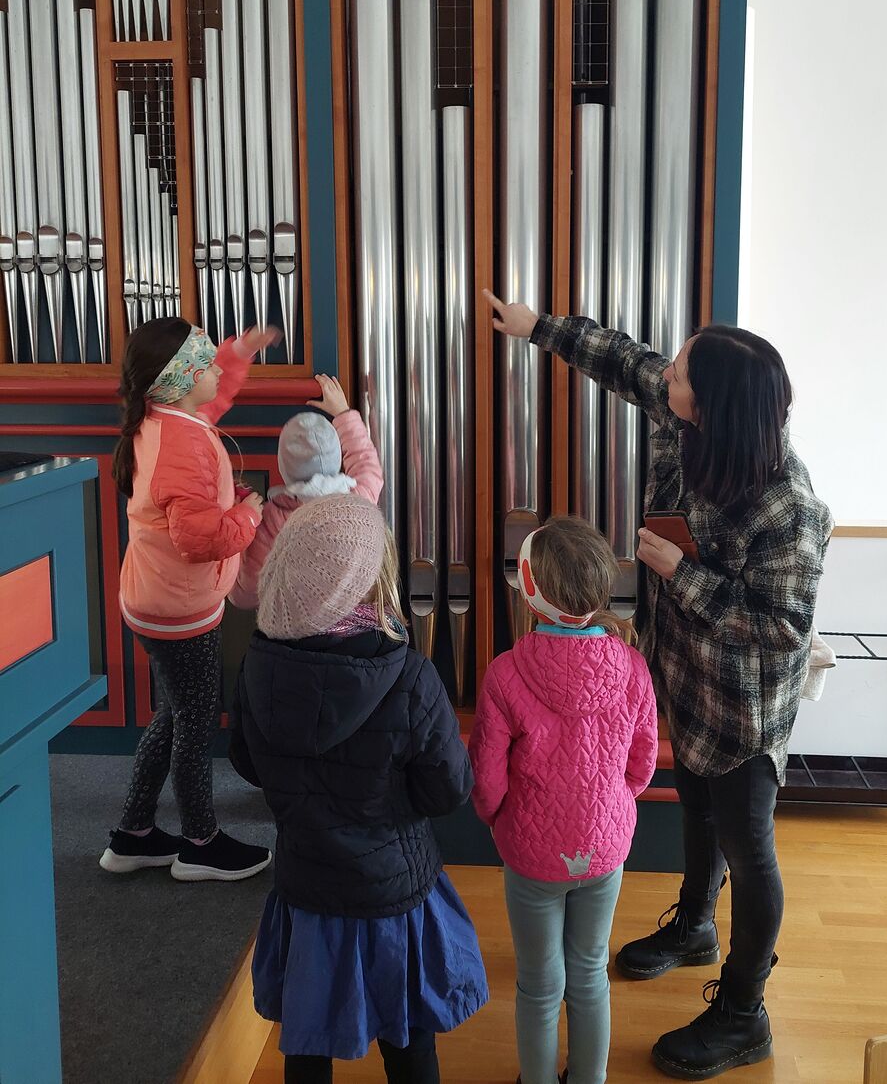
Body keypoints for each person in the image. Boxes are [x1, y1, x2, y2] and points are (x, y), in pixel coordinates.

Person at [484, 290, 833, 1081]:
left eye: (677, 375)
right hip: (683, 675)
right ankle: (695, 926)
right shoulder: (688, 415)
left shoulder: (789, 506)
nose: (662, 375)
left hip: (742, 708)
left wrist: (684, 573)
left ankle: (744, 1011)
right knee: (698, 811)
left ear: (711, 408)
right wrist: (537, 328)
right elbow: (621, 359)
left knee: (751, 848)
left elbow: (784, 626)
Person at [229, 494, 488, 1084]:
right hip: (391, 894)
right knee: (407, 1037)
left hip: (307, 888)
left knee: (307, 1040)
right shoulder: (411, 675)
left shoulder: (258, 665)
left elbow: (247, 764)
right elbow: (447, 789)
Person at [469, 516, 658, 1084]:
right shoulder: (632, 667)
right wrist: (611, 808)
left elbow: (486, 780)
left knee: (538, 983)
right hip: (605, 851)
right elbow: (643, 764)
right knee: (591, 972)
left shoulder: (505, 674)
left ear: (529, 589)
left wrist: (499, 821)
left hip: (530, 858)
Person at [100, 317, 278, 881]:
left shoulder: (168, 417)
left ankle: (133, 834)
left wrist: (239, 351)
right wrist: (249, 512)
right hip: (181, 613)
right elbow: (201, 541)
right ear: (178, 380)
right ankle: (200, 844)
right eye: (203, 363)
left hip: (155, 600)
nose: (214, 370)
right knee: (194, 728)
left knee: (175, 715)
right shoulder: (182, 445)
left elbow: (214, 393)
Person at [229, 372, 383, 610]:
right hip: (352, 622)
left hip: (296, 627)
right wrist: (343, 414)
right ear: (337, 457)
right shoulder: (359, 500)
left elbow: (245, 596)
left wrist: (239, 524)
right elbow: (366, 462)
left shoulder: (271, 521)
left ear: (283, 465)